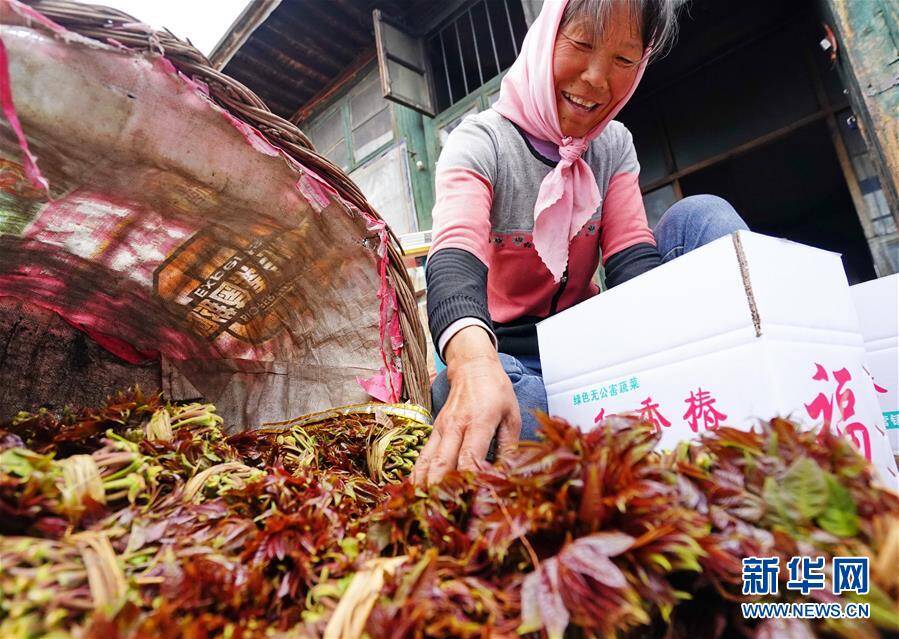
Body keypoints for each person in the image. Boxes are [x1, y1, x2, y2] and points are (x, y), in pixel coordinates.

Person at [413, 0, 748, 486]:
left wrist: (666, 360)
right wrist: (473, 365)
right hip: (503, 357)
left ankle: (752, 374)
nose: (595, 78)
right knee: (515, 409)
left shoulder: (614, 145)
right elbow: (454, 259)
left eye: (624, 59)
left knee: (703, 216)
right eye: (583, 44)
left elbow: (632, 256)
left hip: (591, 345)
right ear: (548, 37)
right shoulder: (481, 142)